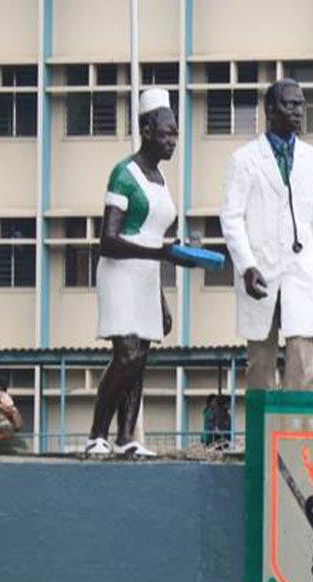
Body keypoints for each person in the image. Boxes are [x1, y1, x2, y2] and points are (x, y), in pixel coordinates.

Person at [84, 88, 193, 457]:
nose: (172, 141)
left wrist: (162, 290)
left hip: (147, 276)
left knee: (140, 359)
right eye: (165, 133)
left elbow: (155, 240)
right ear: (146, 129)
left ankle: (127, 436)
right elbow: (108, 240)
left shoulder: (161, 181)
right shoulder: (124, 174)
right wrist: (158, 252)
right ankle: (97, 432)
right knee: (127, 355)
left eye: (175, 133)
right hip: (120, 274)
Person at [220, 78, 313, 391]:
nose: (298, 111)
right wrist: (246, 266)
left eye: (301, 104)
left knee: (303, 361)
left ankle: (299, 435)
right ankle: (262, 438)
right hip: (260, 271)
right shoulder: (244, 160)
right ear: (270, 110)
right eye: (289, 104)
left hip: (302, 271)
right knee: (261, 362)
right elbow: (231, 218)